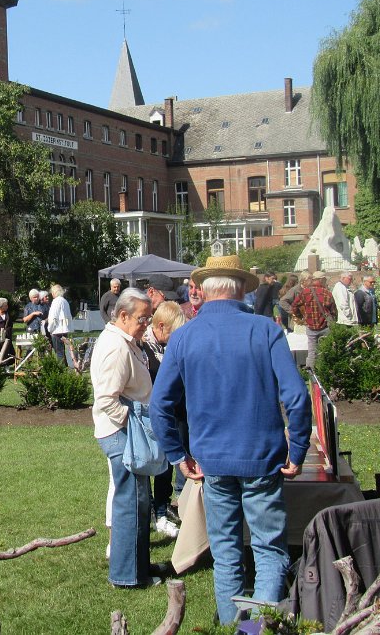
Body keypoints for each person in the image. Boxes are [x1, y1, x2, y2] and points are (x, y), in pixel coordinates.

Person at [149, 255, 311, 624]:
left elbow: (160, 406)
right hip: (262, 458)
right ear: (240, 289)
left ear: (204, 291)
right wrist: (298, 449)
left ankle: (236, 629)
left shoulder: (184, 335)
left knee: (225, 555)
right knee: (268, 551)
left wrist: (178, 455)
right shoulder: (265, 330)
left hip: (212, 462)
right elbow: (297, 398)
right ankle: (256, 630)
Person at [90, 288, 158, 588]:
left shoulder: (125, 341)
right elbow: (106, 398)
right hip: (121, 434)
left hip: (125, 432)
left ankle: (139, 568)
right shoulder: (116, 346)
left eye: (149, 318)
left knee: (139, 501)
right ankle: (127, 576)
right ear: (123, 315)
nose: (146, 324)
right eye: (142, 319)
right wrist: (132, 425)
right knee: (130, 503)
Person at [141, 301, 187, 539]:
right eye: (172, 332)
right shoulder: (142, 348)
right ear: (160, 326)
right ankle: (152, 510)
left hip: (174, 414)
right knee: (153, 464)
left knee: (167, 464)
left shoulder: (168, 346)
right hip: (152, 415)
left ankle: (162, 507)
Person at [292, 271, 337, 370]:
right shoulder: (326, 293)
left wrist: (301, 317)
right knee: (326, 349)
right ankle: (325, 370)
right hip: (325, 326)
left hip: (310, 326)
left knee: (312, 351)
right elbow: (333, 310)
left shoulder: (305, 292)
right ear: (321, 280)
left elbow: (294, 305)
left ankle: (311, 372)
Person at [46, 284, 72, 363]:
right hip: (64, 329)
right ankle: (65, 367)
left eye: (52, 292)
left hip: (57, 330)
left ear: (54, 293)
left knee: (59, 353)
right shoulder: (64, 301)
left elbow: (53, 317)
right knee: (62, 352)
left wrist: (50, 329)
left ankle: (61, 369)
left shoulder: (56, 301)